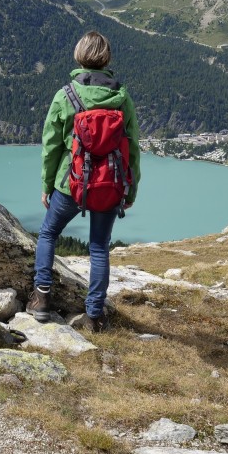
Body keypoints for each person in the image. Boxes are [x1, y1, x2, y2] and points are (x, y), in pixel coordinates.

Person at [27, 30, 141, 332]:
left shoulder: (66, 95)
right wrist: (131, 188)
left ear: (79, 56)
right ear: (106, 58)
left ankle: (41, 299)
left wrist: (46, 185)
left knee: (48, 234)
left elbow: (51, 146)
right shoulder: (122, 96)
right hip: (109, 185)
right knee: (99, 248)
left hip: (71, 184)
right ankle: (93, 317)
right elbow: (133, 147)